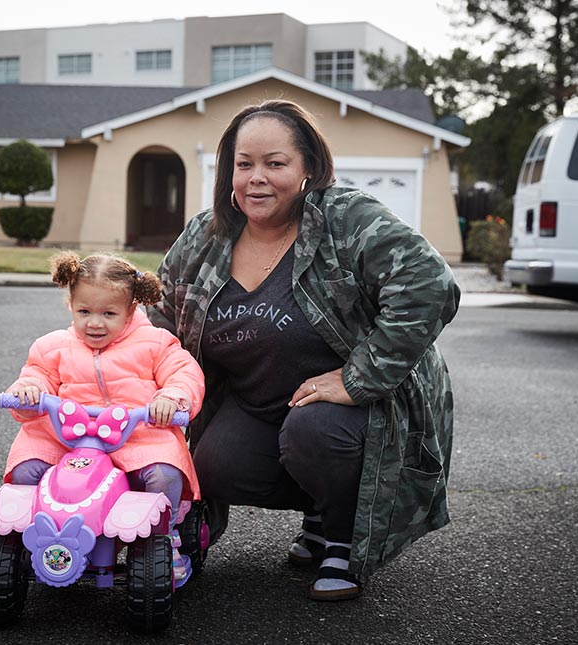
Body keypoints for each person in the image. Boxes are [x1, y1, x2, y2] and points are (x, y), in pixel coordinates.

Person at [148, 99, 460, 601]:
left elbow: (429, 283)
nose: (256, 178)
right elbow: (160, 318)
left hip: (354, 413)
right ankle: (321, 505)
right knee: (215, 463)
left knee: (313, 433)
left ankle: (341, 537)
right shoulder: (205, 236)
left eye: (275, 163)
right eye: (244, 164)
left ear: (308, 168)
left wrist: (358, 379)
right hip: (259, 405)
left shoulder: (346, 219)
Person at [4, 251, 205, 587]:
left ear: (131, 311)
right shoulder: (53, 347)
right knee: (26, 469)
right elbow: (36, 374)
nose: (95, 323)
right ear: (70, 305)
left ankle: (164, 537)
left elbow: (184, 373)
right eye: (84, 312)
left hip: (136, 438)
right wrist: (29, 390)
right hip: (66, 441)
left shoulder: (155, 344)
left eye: (108, 313)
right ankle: (20, 539)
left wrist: (171, 397)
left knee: (164, 474)